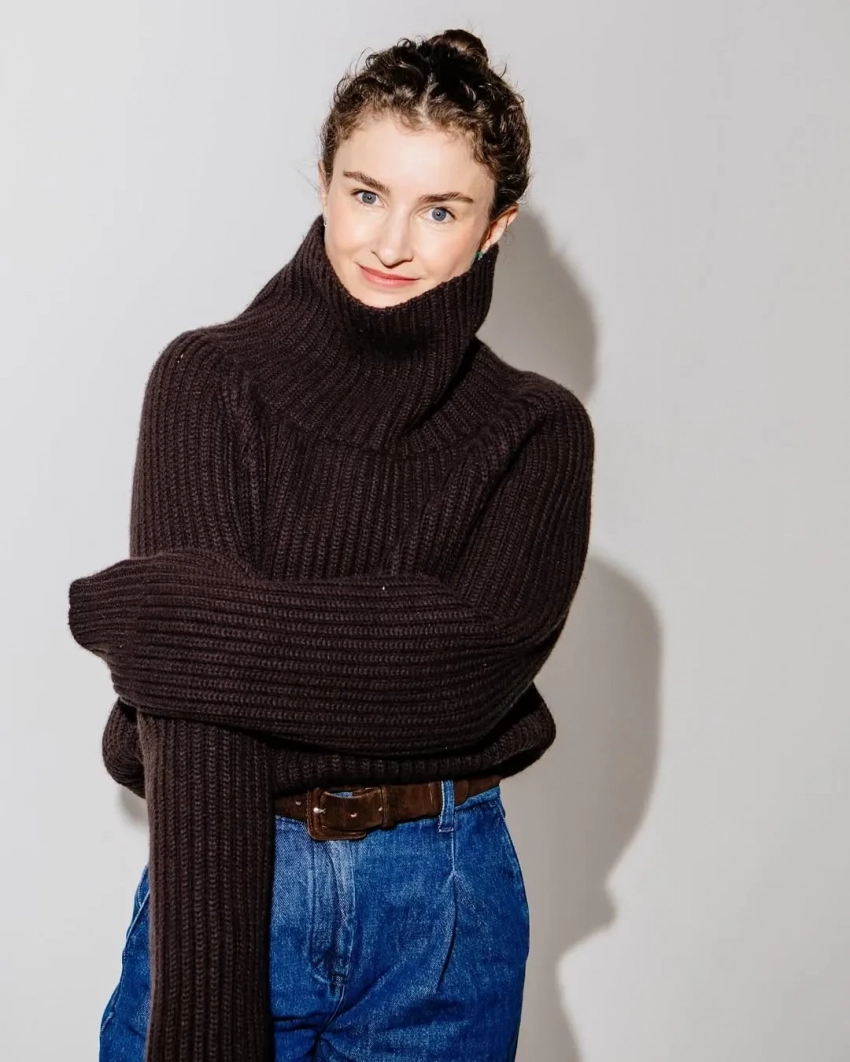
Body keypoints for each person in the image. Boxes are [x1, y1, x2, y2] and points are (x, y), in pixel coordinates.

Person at [68, 27, 595, 1062]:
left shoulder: (536, 430)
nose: (390, 243)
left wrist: (172, 627)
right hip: (226, 865)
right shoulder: (209, 381)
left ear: (495, 227)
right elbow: (194, 729)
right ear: (323, 183)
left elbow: (460, 675)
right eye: (366, 193)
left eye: (439, 210)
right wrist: (208, 1028)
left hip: (442, 907)